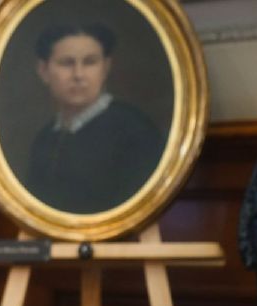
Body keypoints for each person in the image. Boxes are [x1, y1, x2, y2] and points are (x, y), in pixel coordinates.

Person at [24, 23, 163, 214]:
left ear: (105, 68)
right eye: (66, 63)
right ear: (43, 71)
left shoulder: (135, 131)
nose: (78, 75)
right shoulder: (44, 139)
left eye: (90, 62)